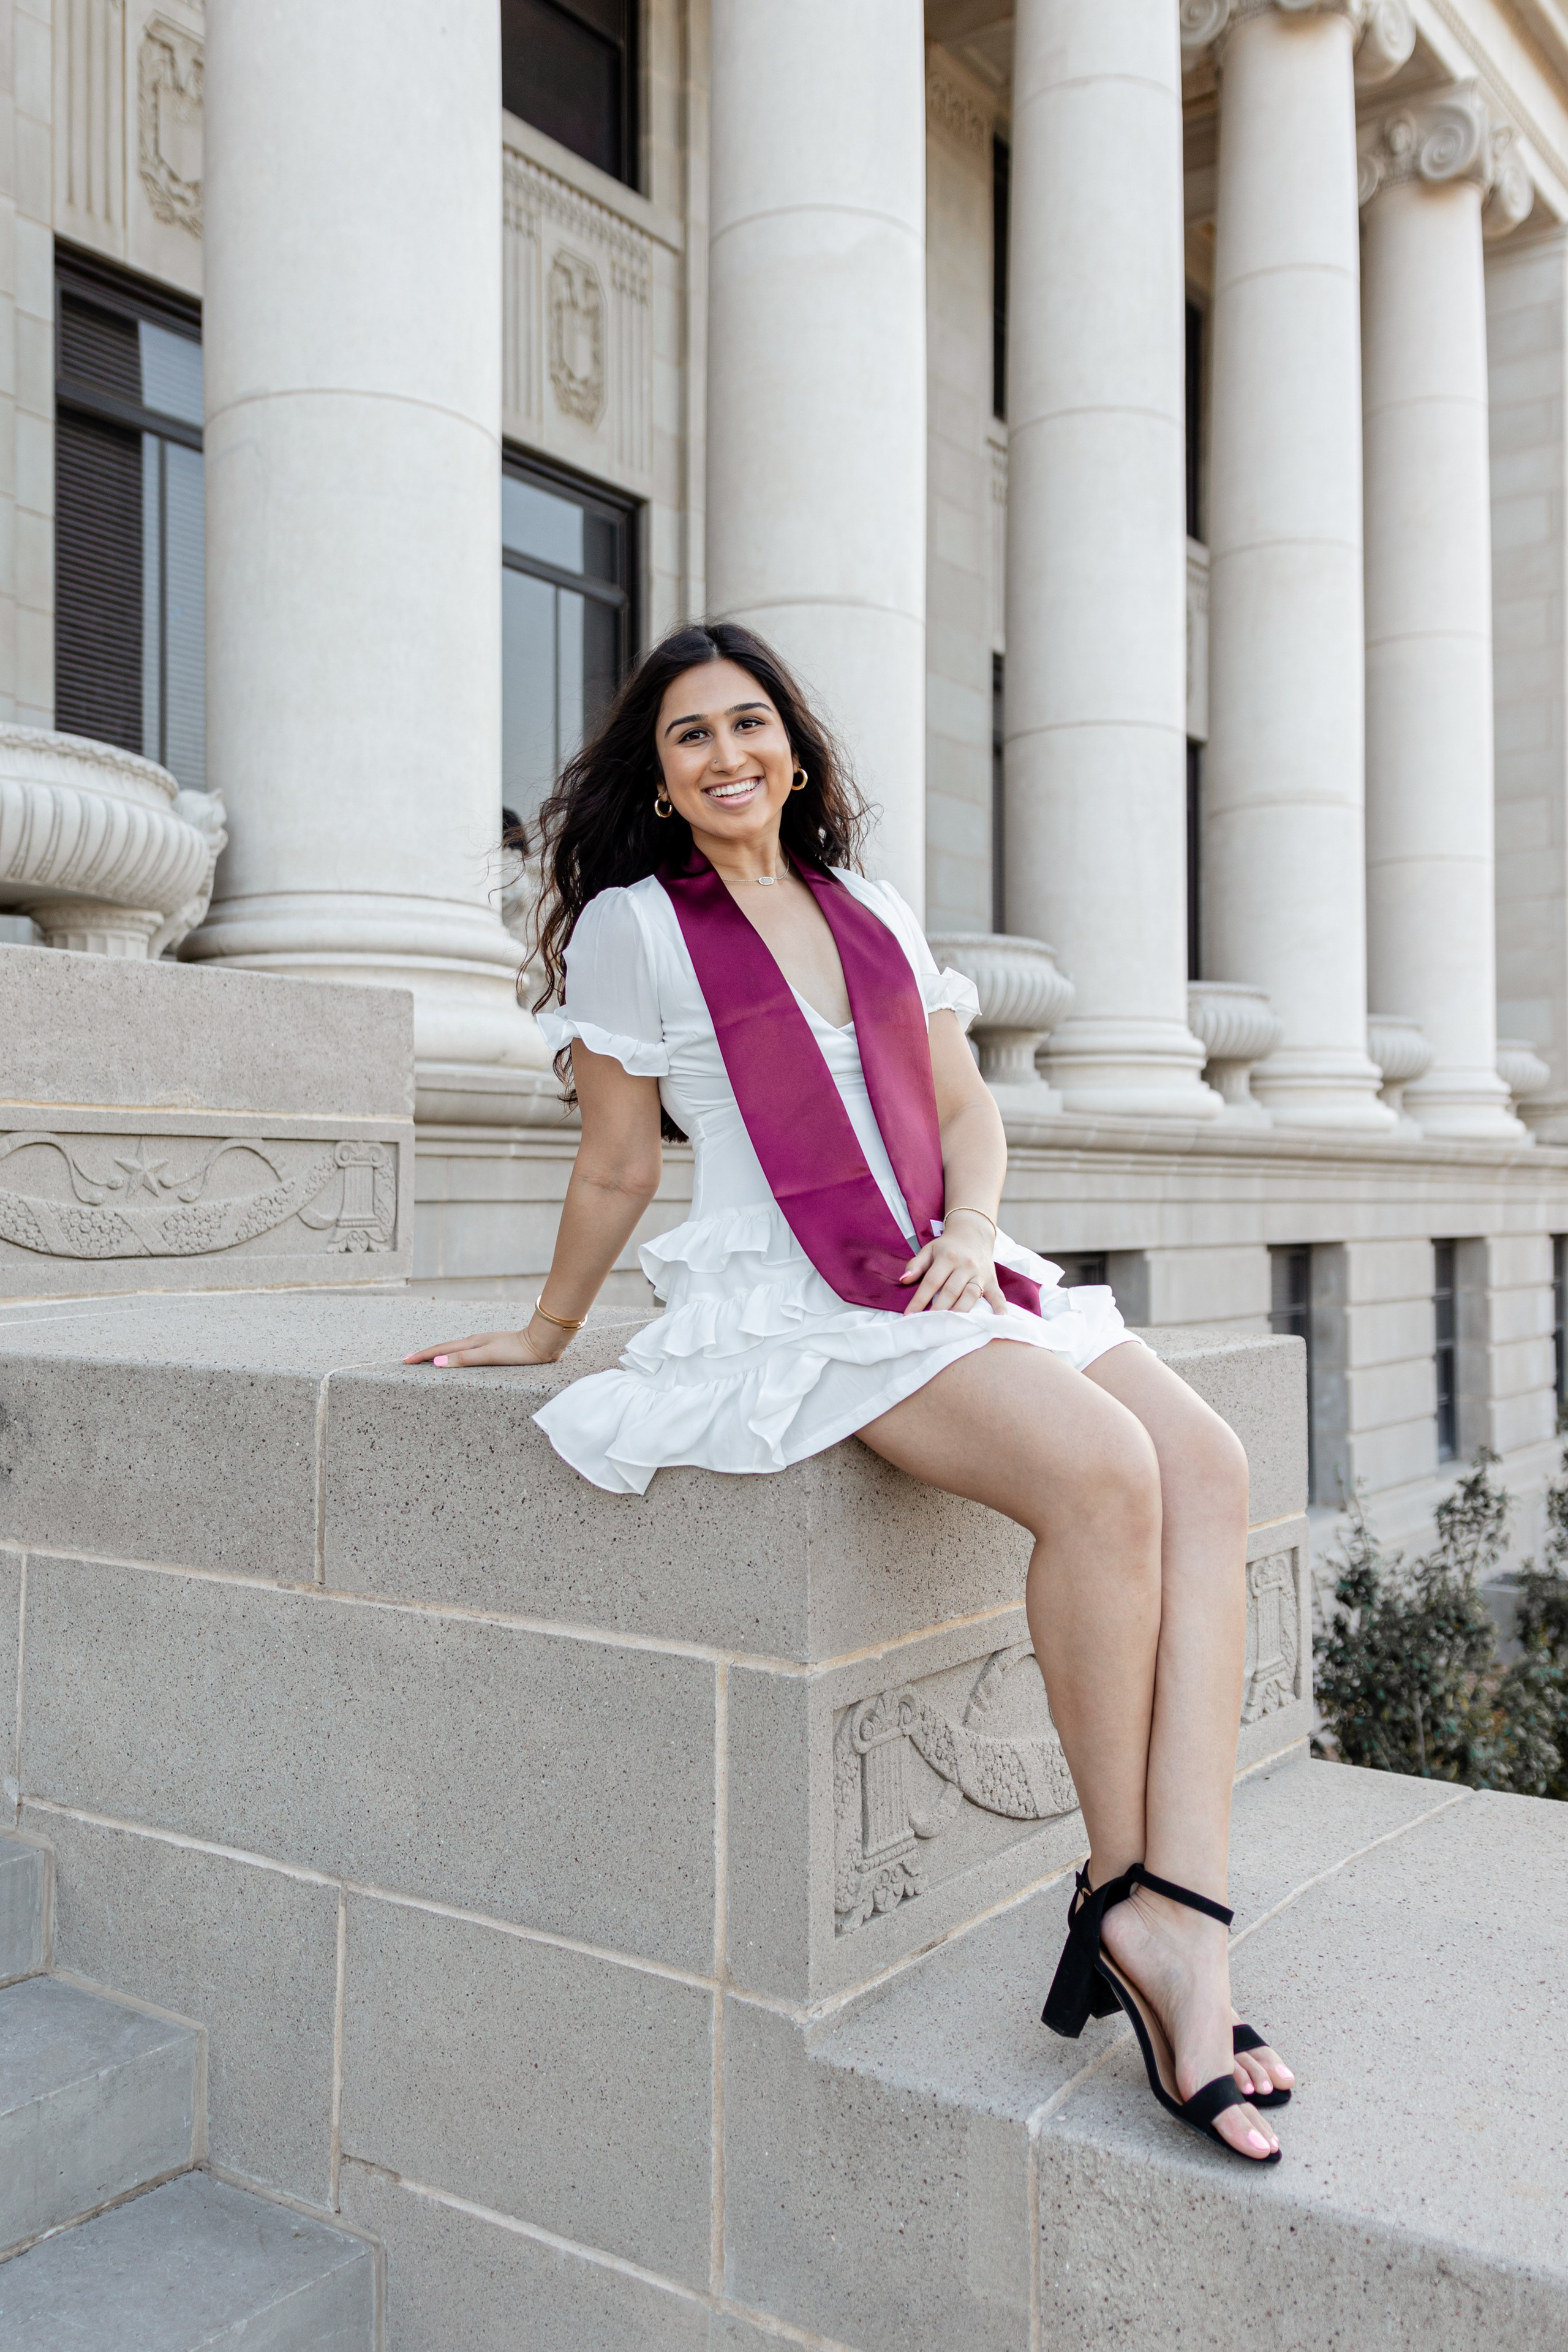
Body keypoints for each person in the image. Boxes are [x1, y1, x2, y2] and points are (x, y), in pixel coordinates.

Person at [407, 622, 1292, 2163]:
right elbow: (619, 1159)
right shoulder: (637, 926)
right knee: (1103, 1476)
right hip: (791, 1289)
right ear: (662, 781)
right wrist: (548, 1328)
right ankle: (1136, 1903)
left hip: (944, 1254)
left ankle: (1175, 1910)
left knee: (1203, 1463)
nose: (727, 753)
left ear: (795, 754)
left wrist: (965, 1229)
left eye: (750, 723)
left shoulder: (867, 905)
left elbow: (964, 1107)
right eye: (690, 737)